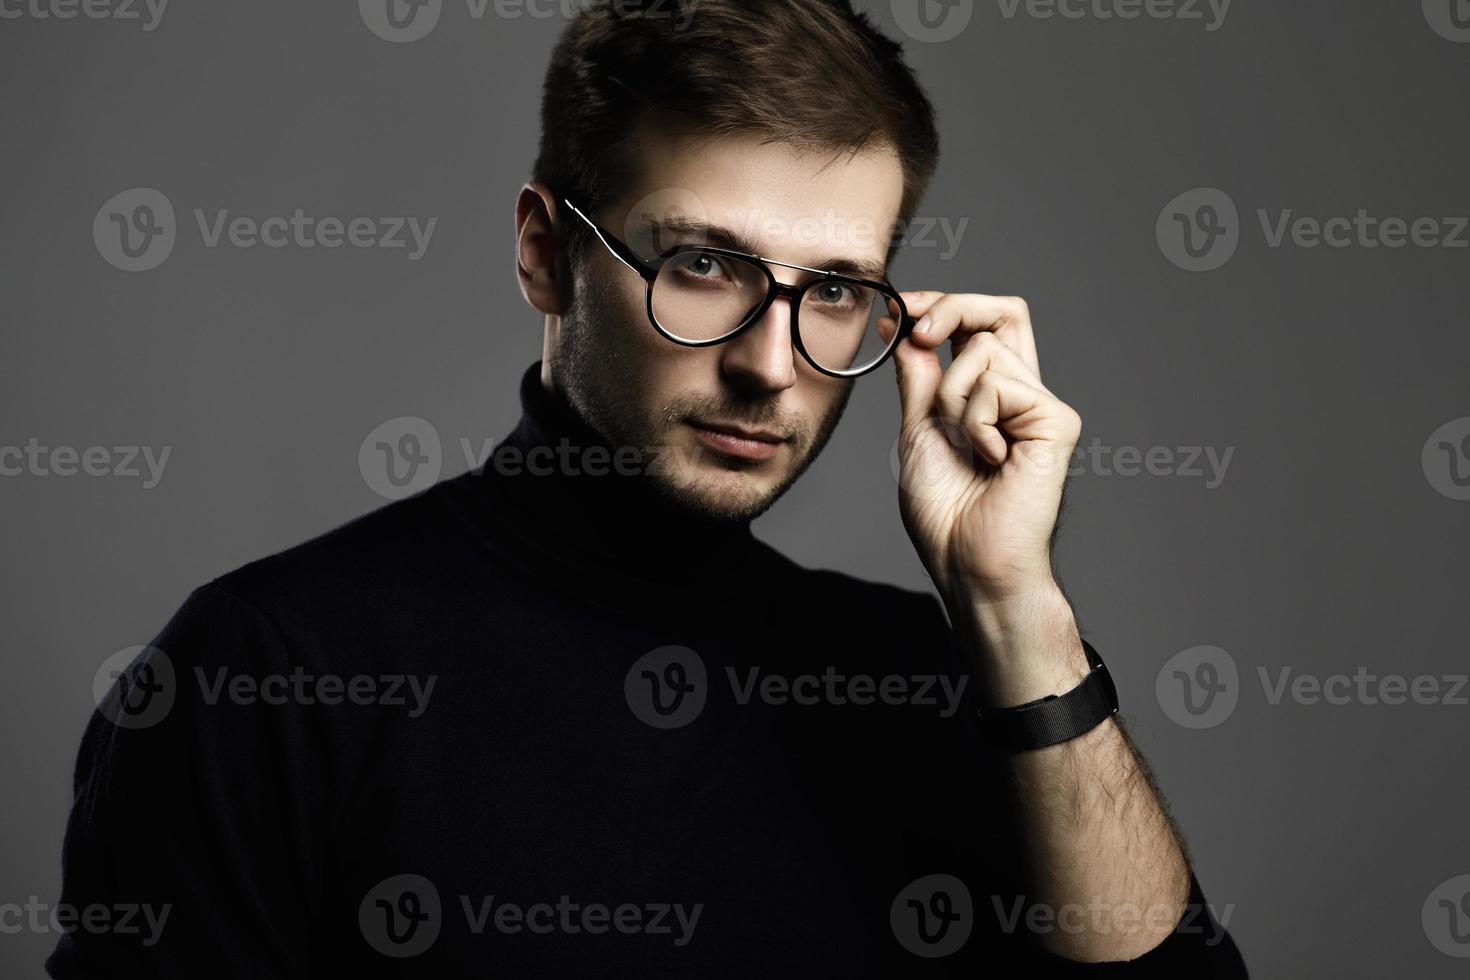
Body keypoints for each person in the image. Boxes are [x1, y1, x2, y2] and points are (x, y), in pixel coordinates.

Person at [48, 1, 1247, 975]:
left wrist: (1013, 605)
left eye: (836, 290)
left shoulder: (929, 671)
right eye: (705, 264)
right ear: (545, 252)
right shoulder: (265, 672)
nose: (771, 366)